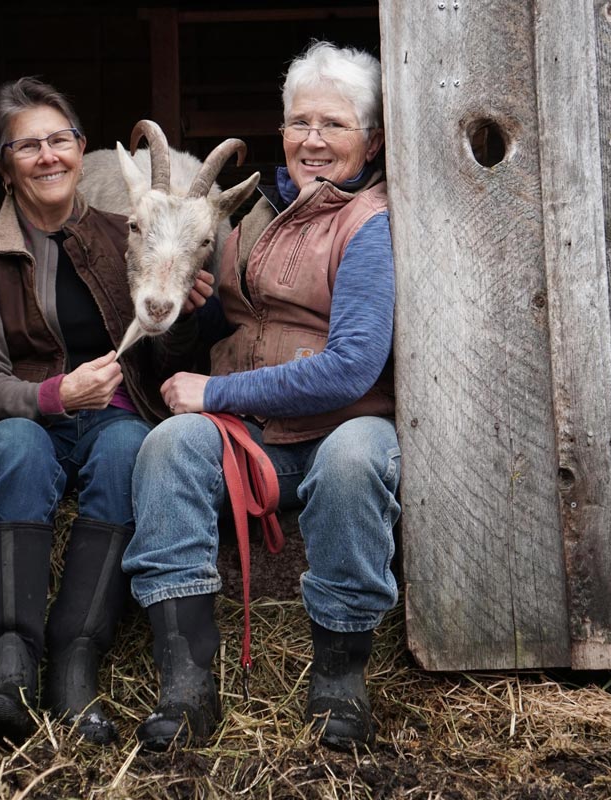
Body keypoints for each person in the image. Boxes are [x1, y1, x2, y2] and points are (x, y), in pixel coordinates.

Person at [123, 41, 400, 752]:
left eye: (334, 125)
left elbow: (353, 368)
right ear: (280, 132)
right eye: (299, 122)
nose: (313, 140)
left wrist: (215, 388)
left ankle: (339, 678)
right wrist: (195, 317)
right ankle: (187, 681)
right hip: (252, 441)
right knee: (167, 447)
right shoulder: (245, 218)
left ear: (370, 139)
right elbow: (227, 333)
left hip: (344, 426)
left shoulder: (372, 222)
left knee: (353, 462)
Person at [0, 77, 208, 747]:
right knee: (11, 448)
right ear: (0, 163)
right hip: (26, 415)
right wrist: (52, 396)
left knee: (131, 451)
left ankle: (76, 662)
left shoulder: (120, 231)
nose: (47, 156)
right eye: (27, 145)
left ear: (80, 148)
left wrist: (186, 309)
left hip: (113, 415)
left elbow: (157, 352)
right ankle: (9, 668)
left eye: (59, 140)